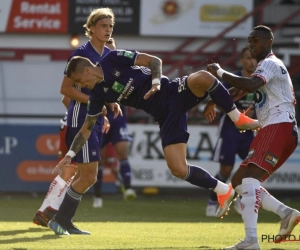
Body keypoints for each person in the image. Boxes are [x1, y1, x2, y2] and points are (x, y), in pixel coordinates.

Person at [48, 45, 260, 236]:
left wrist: (156, 83)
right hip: (165, 116)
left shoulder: (113, 58)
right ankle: (224, 190)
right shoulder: (96, 95)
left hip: (173, 91)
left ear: (86, 70)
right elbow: (86, 128)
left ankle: (237, 119)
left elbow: (154, 61)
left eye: (77, 81)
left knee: (204, 77)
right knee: (178, 168)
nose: (79, 86)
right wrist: (69, 155)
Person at [206, 25, 299, 249]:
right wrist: (215, 99)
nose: (251, 45)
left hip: (278, 126)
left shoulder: (270, 63)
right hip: (278, 128)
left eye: (255, 40)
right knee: (239, 182)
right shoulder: (264, 67)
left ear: (268, 42)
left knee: (249, 180)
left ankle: (251, 241)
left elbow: (249, 84)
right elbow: (239, 91)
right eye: (249, 41)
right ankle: (286, 213)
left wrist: (219, 72)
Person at [34, 8, 116, 235]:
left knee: (82, 175)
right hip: (81, 121)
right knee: (88, 176)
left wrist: (107, 107)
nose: (108, 30)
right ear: (90, 28)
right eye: (103, 26)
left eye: (110, 26)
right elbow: (65, 90)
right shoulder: (81, 54)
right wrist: (96, 104)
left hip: (93, 120)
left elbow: (103, 90)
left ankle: (60, 219)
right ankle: (58, 219)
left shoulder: (107, 53)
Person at [205, 46, 257, 217]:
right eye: (248, 58)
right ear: (241, 60)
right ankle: (213, 200)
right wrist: (234, 112)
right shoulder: (233, 78)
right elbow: (219, 98)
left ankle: (239, 197)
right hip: (230, 129)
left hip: (250, 132)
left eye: (254, 58)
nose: (251, 61)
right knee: (226, 170)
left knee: (252, 167)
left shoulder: (260, 80)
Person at [92, 38, 136, 208]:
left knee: (122, 150)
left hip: (118, 117)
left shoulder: (124, 69)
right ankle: (98, 196)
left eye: (112, 50)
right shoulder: (96, 69)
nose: (109, 54)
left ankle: (129, 187)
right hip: (101, 117)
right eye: (106, 50)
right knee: (100, 158)